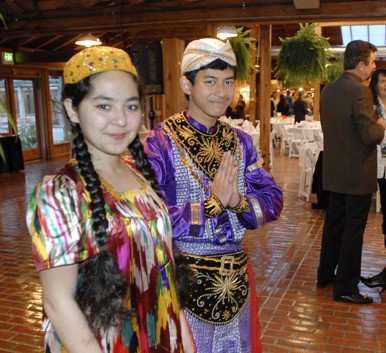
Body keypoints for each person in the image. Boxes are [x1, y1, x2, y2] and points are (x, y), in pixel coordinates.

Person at [27, 46, 195, 353]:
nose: (120, 120)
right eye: (104, 106)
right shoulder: (61, 192)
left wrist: (184, 340)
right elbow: (58, 302)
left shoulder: (140, 175)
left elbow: (165, 277)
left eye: (131, 107)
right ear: (73, 109)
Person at [144, 38, 283, 353]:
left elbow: (273, 199)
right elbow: (147, 219)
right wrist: (211, 206)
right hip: (182, 280)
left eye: (228, 82)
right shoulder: (160, 144)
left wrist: (238, 203)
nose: (222, 92)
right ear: (186, 84)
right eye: (210, 81)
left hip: (236, 279)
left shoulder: (241, 142)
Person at [317, 40, 386, 304]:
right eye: (372, 62)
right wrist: (380, 124)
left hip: (334, 171)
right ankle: (345, 287)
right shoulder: (360, 92)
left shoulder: (329, 90)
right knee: (353, 232)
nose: (374, 67)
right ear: (360, 65)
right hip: (357, 173)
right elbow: (370, 136)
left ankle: (325, 275)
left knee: (334, 226)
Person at [360, 68, 386, 292]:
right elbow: (369, 134)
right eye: (382, 81)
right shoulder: (371, 107)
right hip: (378, 166)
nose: (385, 84)